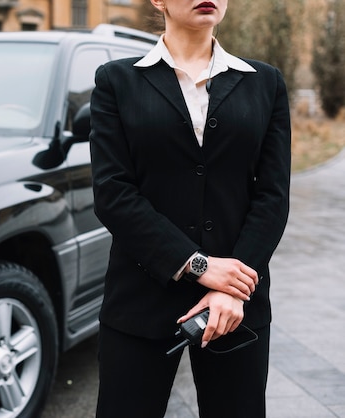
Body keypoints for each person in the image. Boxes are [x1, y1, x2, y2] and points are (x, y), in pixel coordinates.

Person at [89, 0, 291, 417]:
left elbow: (272, 196)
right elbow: (113, 193)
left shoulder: (264, 83)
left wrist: (230, 286)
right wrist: (198, 265)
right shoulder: (117, 81)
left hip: (236, 306)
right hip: (139, 302)